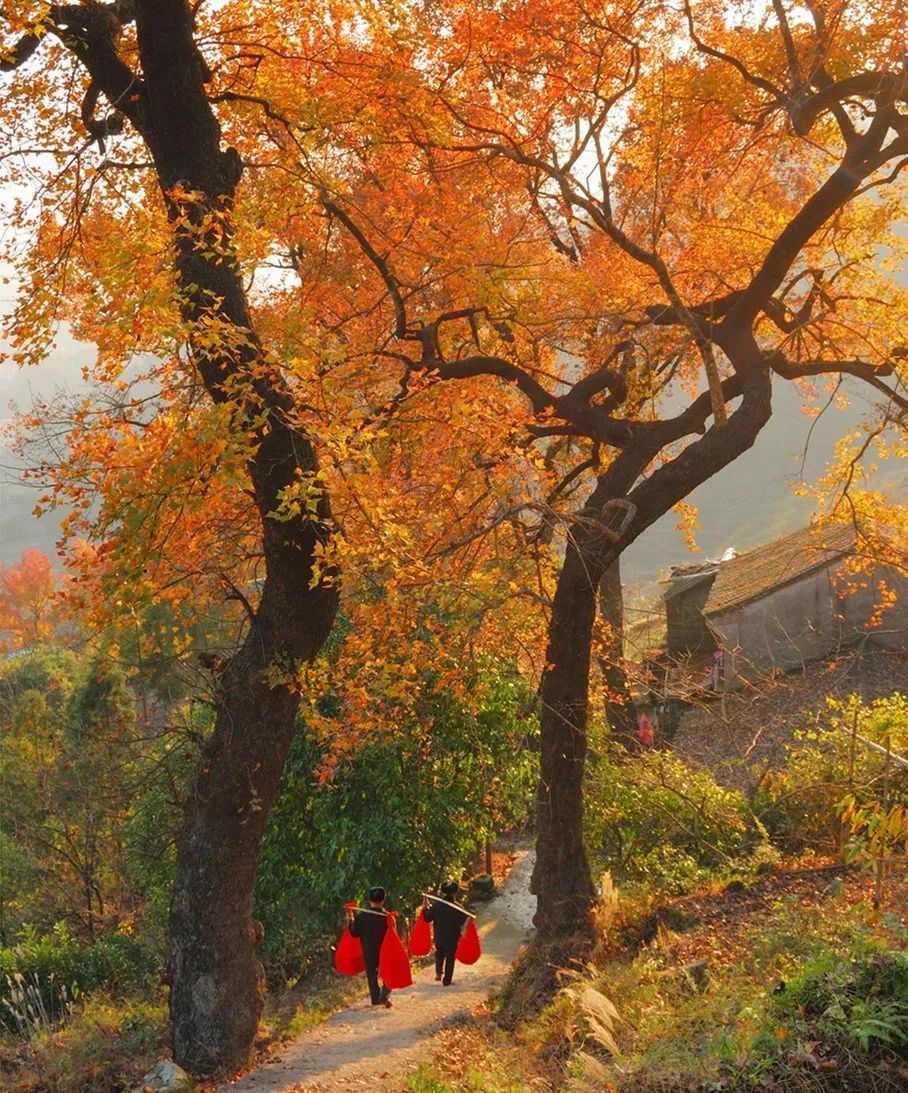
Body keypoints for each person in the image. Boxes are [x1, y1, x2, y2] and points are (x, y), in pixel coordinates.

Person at [348, 886, 392, 1007]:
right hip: (385, 951)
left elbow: (354, 933)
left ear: (369, 900)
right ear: (383, 900)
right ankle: (384, 995)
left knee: (372, 975)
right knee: (388, 972)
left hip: (369, 951)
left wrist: (350, 919)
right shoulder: (388, 917)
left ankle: (375, 1000)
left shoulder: (362, 917)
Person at [423, 881, 469, 986]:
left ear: (443, 892)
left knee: (439, 953)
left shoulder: (437, 906)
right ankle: (447, 980)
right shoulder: (458, 908)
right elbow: (462, 922)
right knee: (450, 957)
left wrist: (425, 908)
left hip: (439, 936)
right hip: (452, 937)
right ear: (455, 893)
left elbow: (427, 918)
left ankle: (438, 972)